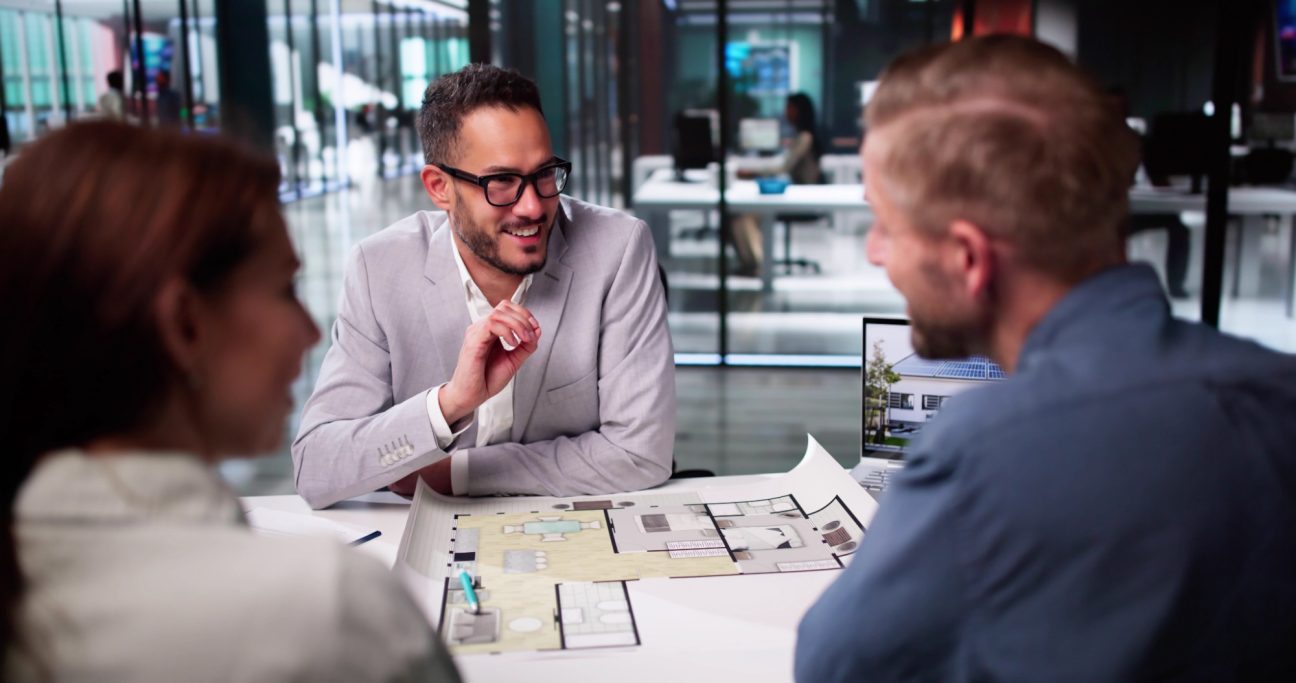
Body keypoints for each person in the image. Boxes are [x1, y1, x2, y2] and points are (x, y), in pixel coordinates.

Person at [796, 36, 1296, 682]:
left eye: (887, 227)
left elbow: (834, 667)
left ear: (968, 259)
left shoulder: (980, 451)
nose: (873, 254)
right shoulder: (1281, 397)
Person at [0, 122, 461, 682]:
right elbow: (318, 465)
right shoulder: (325, 612)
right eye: (284, 290)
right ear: (185, 324)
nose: (309, 333)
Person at [292, 64, 674, 509]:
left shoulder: (617, 248)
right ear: (440, 187)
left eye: (545, 173)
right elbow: (316, 468)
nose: (532, 206)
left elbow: (640, 452)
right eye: (502, 183)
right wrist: (448, 405)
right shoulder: (380, 268)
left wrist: (459, 472)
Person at [730, 92, 824, 276]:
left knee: (743, 217)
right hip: (795, 194)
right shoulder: (801, 136)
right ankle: (753, 262)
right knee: (741, 215)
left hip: (801, 198)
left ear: (799, 111)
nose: (786, 112)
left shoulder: (805, 137)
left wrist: (753, 173)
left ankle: (758, 264)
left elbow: (783, 167)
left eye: (789, 108)